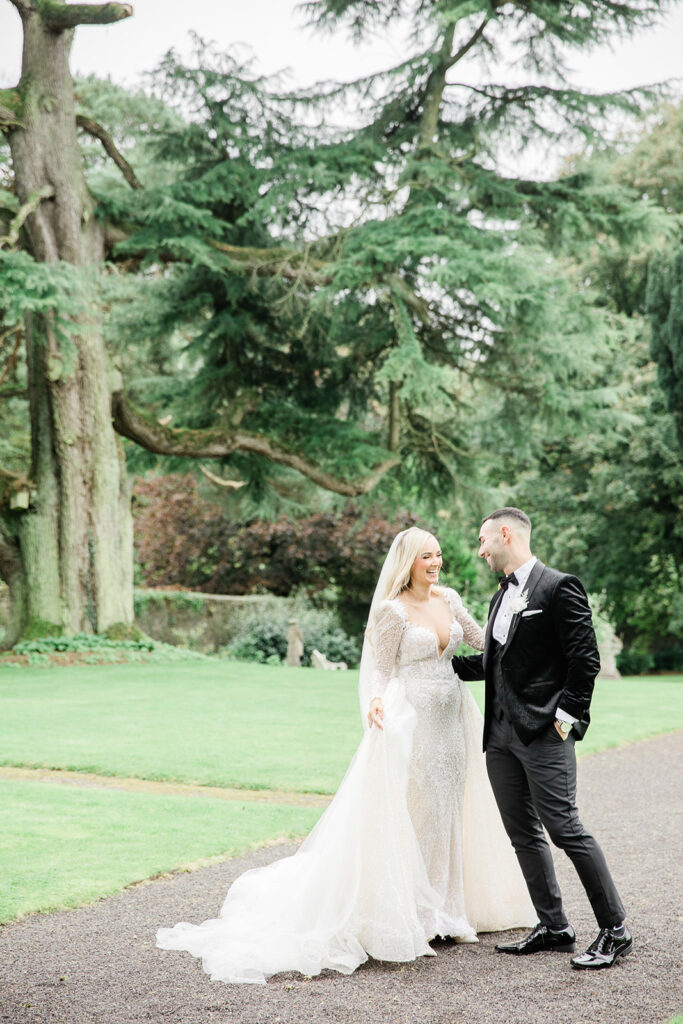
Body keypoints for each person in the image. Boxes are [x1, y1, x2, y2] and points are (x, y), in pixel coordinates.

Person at [156, 527, 535, 984]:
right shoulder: (391, 611)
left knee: (448, 807)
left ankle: (448, 910)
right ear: (407, 562)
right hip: (411, 722)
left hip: (452, 722)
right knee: (413, 812)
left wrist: (524, 623)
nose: (435, 564)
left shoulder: (450, 599)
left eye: (438, 556)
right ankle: (414, 911)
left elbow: (483, 640)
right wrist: (376, 700)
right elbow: (380, 670)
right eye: (426, 558)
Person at [451, 508, 632, 971]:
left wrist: (565, 721)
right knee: (523, 834)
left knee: (565, 828)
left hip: (545, 735)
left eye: (482, 540)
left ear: (504, 534)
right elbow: (495, 665)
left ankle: (615, 930)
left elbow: (584, 660)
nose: (480, 550)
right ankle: (554, 926)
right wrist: (434, 665)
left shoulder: (558, 587)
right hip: (501, 738)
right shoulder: (499, 596)